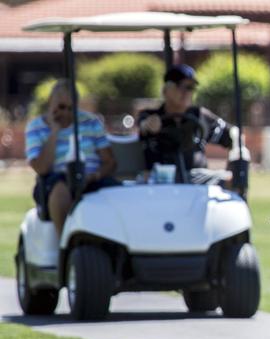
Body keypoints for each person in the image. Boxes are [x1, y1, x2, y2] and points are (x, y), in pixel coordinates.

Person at [25, 79, 117, 236]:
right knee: (60, 187)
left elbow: (110, 162)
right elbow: (41, 168)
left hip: (91, 177)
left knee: (117, 192)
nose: (66, 113)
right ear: (50, 102)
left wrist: (94, 176)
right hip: (55, 180)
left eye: (71, 108)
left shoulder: (90, 122)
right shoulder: (36, 127)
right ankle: (64, 243)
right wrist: (54, 131)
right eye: (61, 107)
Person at [138, 64, 233, 186]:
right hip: (161, 178)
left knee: (233, 180)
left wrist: (236, 158)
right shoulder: (151, 115)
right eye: (180, 86)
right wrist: (149, 125)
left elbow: (232, 136)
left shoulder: (200, 115)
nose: (186, 92)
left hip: (197, 179)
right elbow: (144, 125)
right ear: (166, 90)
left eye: (190, 87)